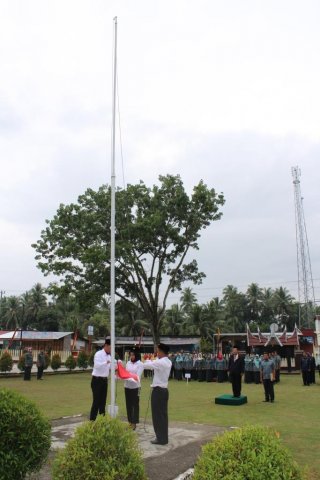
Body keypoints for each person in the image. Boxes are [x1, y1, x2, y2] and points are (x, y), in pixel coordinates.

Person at [143, 343, 172, 445]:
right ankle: (163, 438)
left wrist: (146, 359)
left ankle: (160, 438)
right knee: (163, 415)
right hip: (164, 390)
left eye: (158, 351)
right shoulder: (168, 362)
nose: (156, 352)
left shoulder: (161, 362)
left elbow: (147, 365)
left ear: (161, 352)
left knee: (157, 415)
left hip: (158, 391)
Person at [89, 339, 111, 421]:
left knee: (103, 403)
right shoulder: (98, 354)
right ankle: (92, 421)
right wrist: (106, 362)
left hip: (104, 381)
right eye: (110, 348)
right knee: (96, 402)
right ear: (106, 346)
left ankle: (102, 422)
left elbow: (111, 367)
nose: (110, 350)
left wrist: (117, 364)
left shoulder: (109, 356)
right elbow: (97, 366)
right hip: (96, 381)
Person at [124, 348, 144, 430]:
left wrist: (127, 376)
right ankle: (129, 421)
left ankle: (134, 422)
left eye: (133, 355)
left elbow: (137, 376)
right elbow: (125, 372)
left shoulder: (140, 364)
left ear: (136, 355)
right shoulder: (128, 363)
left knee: (135, 405)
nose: (131, 357)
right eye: (130, 355)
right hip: (127, 386)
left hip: (136, 387)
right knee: (128, 405)